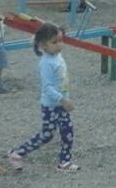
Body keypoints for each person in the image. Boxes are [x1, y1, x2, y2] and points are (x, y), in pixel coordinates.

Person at [6, 23, 79, 173]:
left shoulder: (56, 56)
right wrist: (62, 99)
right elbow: (47, 87)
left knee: (67, 131)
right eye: (54, 42)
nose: (59, 45)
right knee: (47, 135)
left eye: (61, 40)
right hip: (51, 106)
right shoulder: (46, 63)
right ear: (43, 45)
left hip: (61, 104)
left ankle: (64, 162)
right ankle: (17, 153)